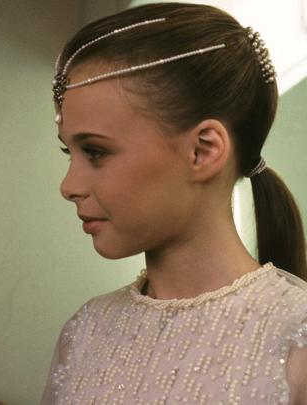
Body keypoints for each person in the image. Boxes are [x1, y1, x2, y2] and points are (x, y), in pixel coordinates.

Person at [41, 3, 307, 404]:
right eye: (69, 153)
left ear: (202, 151)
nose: (68, 186)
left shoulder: (295, 339)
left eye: (95, 152)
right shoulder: (84, 332)